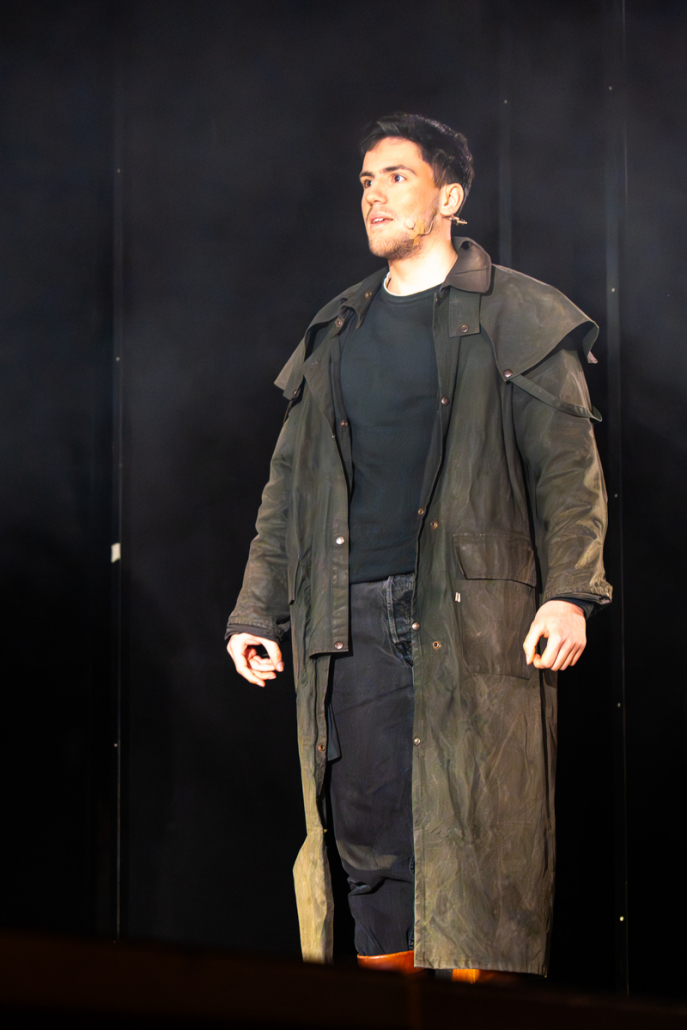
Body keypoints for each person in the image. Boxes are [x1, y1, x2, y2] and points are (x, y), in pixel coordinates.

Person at [226, 113, 611, 982]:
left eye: (396, 176)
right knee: (369, 842)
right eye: (365, 181)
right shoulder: (337, 330)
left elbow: (568, 471)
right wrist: (255, 610)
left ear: (449, 196)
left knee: (480, 832)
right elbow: (287, 489)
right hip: (348, 614)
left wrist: (569, 593)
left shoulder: (518, 312)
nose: (373, 194)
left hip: (473, 611)